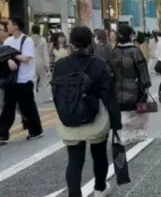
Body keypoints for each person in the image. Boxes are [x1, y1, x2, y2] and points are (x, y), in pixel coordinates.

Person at [52, 26, 121, 197]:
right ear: (91, 42)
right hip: (95, 118)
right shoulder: (99, 65)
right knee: (99, 154)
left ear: (71, 43)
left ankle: (74, 194)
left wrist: (64, 112)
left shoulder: (61, 65)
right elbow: (109, 94)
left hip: (69, 119)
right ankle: (99, 188)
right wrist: (115, 121)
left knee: (74, 159)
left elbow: (56, 94)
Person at [0, 16, 44, 144]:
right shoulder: (8, 40)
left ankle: (36, 131)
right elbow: (2, 55)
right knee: (8, 107)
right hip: (11, 80)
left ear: (16, 26)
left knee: (28, 107)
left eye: (9, 24)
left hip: (25, 79)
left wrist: (11, 54)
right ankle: (2, 135)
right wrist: (8, 58)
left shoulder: (27, 40)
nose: (7, 27)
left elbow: (26, 59)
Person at [110, 24, 151, 144]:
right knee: (139, 111)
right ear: (130, 35)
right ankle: (138, 134)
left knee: (123, 112)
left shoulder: (114, 51)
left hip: (117, 88)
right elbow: (142, 69)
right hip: (134, 88)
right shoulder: (135, 51)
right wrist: (146, 84)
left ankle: (124, 135)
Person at [31, 24, 50, 103]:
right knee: (44, 79)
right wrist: (47, 65)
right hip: (41, 62)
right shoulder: (42, 40)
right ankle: (45, 97)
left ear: (32, 30)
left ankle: (33, 97)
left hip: (31, 62)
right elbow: (45, 53)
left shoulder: (29, 39)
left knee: (33, 80)